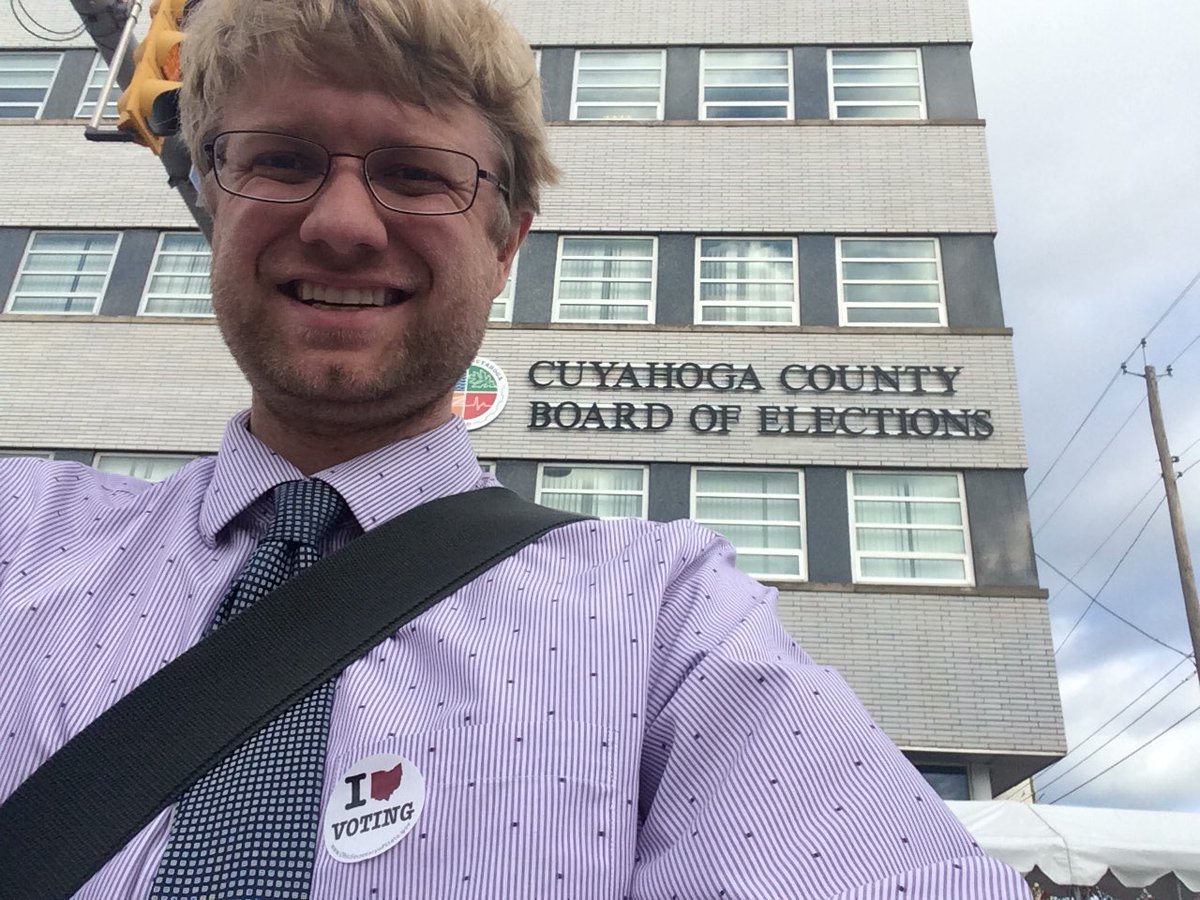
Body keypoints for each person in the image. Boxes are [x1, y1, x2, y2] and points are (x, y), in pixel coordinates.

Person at [0, 0, 1030, 896]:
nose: (343, 224)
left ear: (507, 245)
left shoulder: (672, 621)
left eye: (416, 174)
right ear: (215, 195)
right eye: (282, 160)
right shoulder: (20, 536)